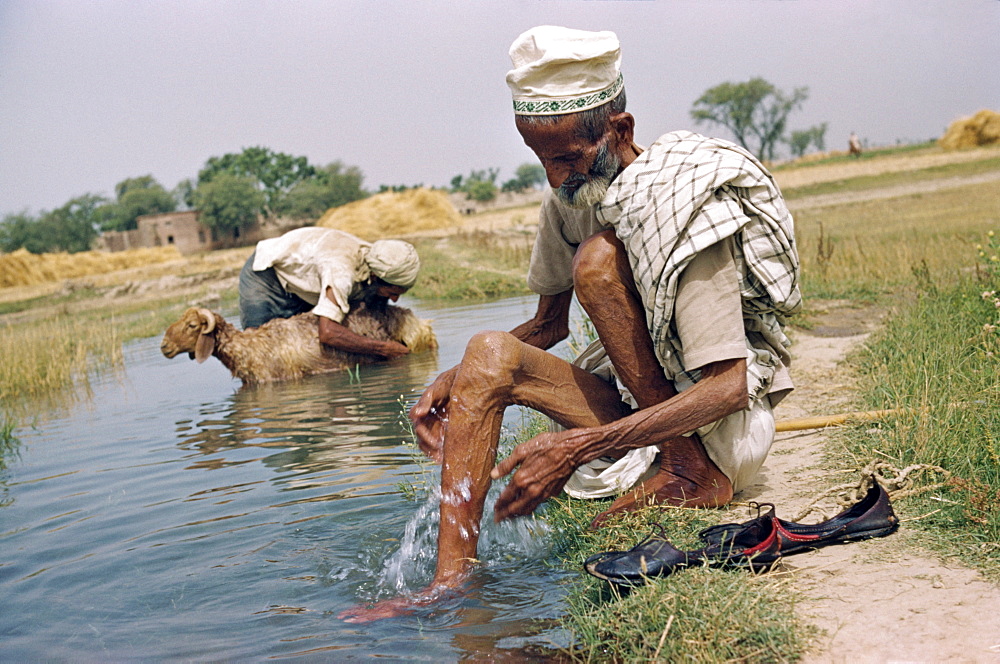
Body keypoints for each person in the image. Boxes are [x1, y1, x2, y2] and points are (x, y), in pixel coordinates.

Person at [340, 25, 800, 622]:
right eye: (540, 159)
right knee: (487, 349)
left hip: (719, 426)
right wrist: (454, 380)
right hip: (641, 414)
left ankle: (688, 471)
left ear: (621, 130)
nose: (555, 179)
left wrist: (582, 444)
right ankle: (449, 585)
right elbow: (547, 327)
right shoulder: (572, 202)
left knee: (600, 264)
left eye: (566, 158)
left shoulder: (685, 208)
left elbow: (729, 385)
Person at [239, 226, 420, 360]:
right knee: (260, 347)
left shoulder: (382, 260)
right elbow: (328, 332)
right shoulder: (341, 271)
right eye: (391, 292)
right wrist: (384, 349)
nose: (395, 300)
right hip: (268, 274)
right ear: (374, 276)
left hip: (307, 280)